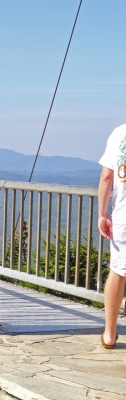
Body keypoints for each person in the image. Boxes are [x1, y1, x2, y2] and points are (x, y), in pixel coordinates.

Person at [98, 123, 126, 349]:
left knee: (118, 272)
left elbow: (107, 177)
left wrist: (102, 213)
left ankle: (109, 334)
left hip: (123, 217)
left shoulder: (120, 133)